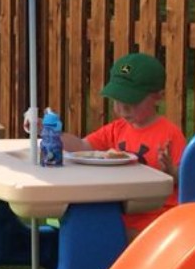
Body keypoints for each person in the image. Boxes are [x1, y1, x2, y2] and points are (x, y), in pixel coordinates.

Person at [61, 52, 186, 235]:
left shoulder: (169, 134)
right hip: (122, 211)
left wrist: (171, 172)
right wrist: (49, 133)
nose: (122, 109)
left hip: (156, 217)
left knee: (107, 236)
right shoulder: (117, 128)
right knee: (83, 221)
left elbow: (189, 181)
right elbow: (83, 146)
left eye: (131, 102)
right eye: (117, 102)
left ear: (159, 96)